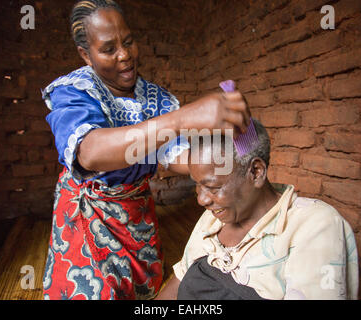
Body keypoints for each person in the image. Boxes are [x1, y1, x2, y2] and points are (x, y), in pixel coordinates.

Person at [41, 0, 250, 300]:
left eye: (128, 42)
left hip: (137, 214)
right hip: (87, 216)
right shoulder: (74, 92)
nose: (125, 55)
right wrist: (183, 119)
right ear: (85, 55)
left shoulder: (156, 99)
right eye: (109, 49)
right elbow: (90, 151)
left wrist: (220, 159)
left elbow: (174, 155)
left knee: (145, 293)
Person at [156, 119, 359, 300]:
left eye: (213, 187)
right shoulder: (212, 220)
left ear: (256, 172)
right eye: (198, 185)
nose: (201, 199)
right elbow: (180, 278)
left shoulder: (314, 226)